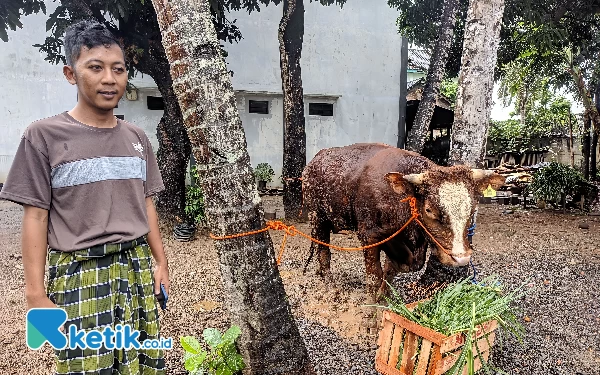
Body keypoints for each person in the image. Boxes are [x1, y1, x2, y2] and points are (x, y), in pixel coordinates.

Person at [0, 19, 169, 374]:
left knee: (141, 364)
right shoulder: (43, 136)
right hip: (80, 272)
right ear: (70, 73)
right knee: (86, 367)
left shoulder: (137, 137)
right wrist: (35, 293)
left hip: (136, 267)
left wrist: (160, 262)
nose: (110, 79)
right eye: (95, 67)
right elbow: (36, 216)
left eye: (118, 69)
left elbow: (147, 203)